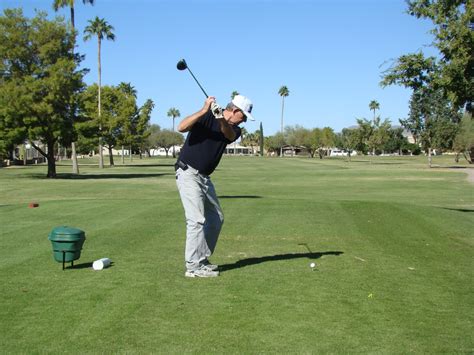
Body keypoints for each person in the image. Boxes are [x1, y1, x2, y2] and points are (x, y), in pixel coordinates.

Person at [175, 94, 255, 278]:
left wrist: (220, 118)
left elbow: (227, 134)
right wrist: (204, 110)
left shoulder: (235, 129)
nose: (243, 121)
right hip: (188, 172)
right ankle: (193, 267)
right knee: (195, 220)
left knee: (216, 218)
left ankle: (201, 259)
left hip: (204, 178)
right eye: (243, 116)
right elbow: (181, 127)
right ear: (235, 111)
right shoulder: (206, 116)